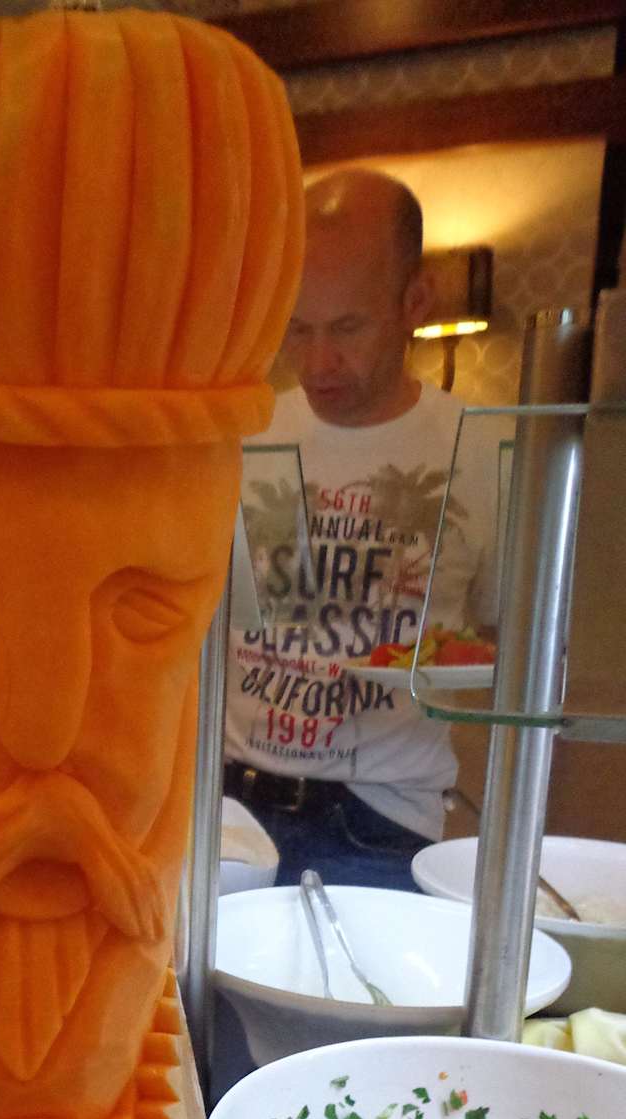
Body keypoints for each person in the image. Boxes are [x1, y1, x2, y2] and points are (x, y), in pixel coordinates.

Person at [224, 169, 500, 891]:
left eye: (347, 328)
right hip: (230, 804)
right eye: (297, 329)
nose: (318, 363)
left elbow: (507, 634)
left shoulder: (483, 446)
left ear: (414, 302)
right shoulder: (240, 431)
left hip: (381, 819)